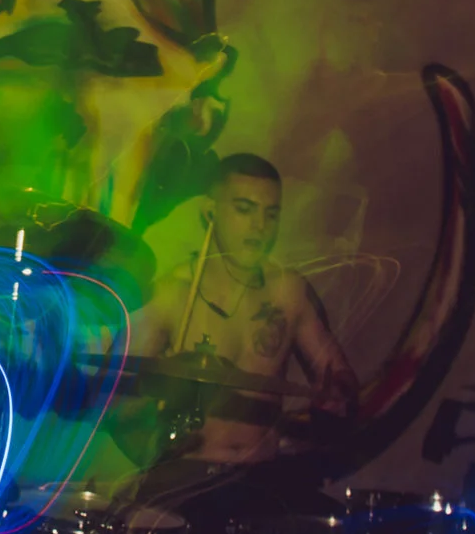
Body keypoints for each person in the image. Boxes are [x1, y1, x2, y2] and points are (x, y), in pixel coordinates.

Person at [128, 153, 360, 468]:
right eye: (244, 210)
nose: (259, 226)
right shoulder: (172, 295)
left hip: (262, 477)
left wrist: (337, 394)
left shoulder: (288, 292)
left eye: (271, 215)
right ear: (210, 212)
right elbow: (113, 395)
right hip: (186, 477)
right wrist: (152, 443)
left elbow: (338, 374)